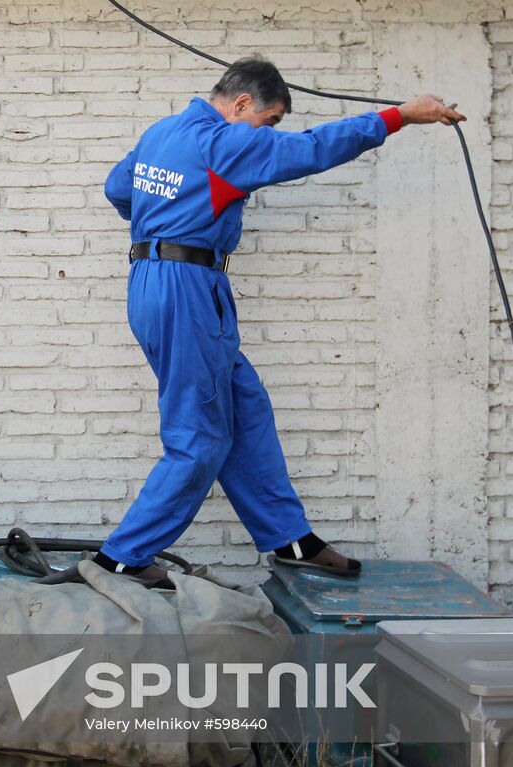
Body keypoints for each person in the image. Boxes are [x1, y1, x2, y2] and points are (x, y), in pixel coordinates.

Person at [94, 56, 465, 582]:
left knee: (244, 406)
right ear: (242, 104)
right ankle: (122, 559)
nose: (268, 133)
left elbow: (118, 189)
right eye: (268, 121)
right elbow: (312, 148)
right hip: (187, 289)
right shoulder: (225, 142)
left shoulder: (163, 132)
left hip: (160, 283)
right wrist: (399, 116)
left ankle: (291, 540)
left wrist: (164, 222)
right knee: (199, 435)